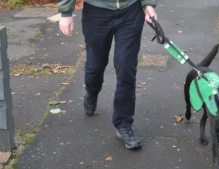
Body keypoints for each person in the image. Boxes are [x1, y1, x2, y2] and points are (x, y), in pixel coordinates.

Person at [57, 0, 158, 149]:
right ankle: (92, 92)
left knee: (126, 69)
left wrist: (148, 3)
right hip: (96, 12)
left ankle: (124, 124)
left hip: (131, 11)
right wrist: (66, 12)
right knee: (95, 66)